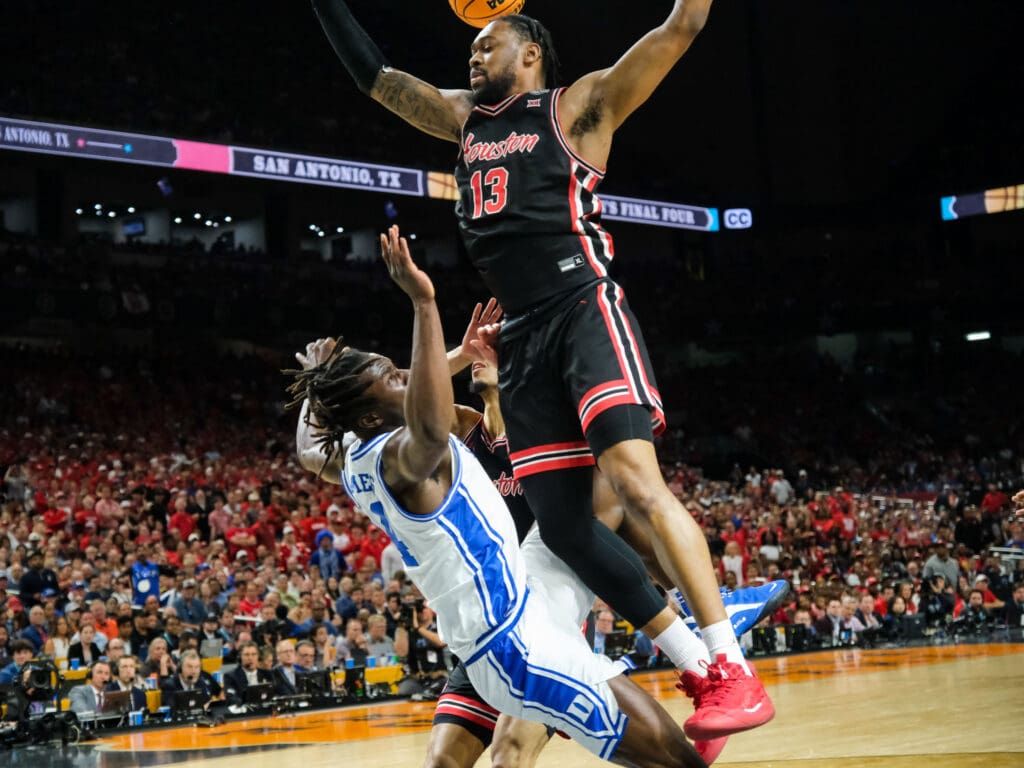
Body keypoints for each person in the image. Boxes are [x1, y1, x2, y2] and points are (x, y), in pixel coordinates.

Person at [311, 0, 773, 742]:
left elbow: (681, 26)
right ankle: (695, 668)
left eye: (488, 44)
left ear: (529, 53)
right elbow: (377, 78)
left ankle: (732, 667)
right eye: (471, 47)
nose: (473, 54)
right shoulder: (464, 119)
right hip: (521, 336)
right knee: (562, 529)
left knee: (633, 479)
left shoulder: (578, 106)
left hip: (582, 305)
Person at [287, 225, 705, 766]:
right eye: (392, 378)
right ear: (370, 416)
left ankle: (691, 621)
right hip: (518, 646)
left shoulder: (351, 458)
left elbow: (308, 448)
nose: (405, 376)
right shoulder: (407, 458)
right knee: (676, 762)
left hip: (513, 623)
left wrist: (319, 383)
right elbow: (429, 416)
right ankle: (696, 635)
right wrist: (424, 303)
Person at [224, 640, 273, 705]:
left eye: (254, 654)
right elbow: (231, 698)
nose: (250, 658)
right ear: (240, 657)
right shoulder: (231, 676)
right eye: (246, 655)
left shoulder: (267, 674)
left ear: (258, 657)